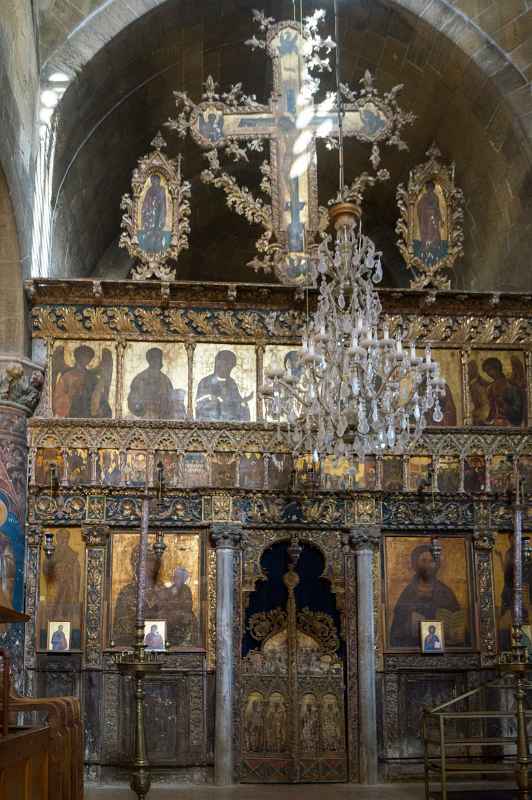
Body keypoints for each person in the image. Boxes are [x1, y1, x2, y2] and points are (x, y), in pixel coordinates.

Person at [390, 544, 462, 648]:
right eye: (423, 560)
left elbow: (456, 620)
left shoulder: (445, 592)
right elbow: (397, 627)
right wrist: (409, 622)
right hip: (412, 645)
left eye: (431, 561)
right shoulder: (409, 592)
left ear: (437, 564)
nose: (428, 565)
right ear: (415, 564)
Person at [53, 345, 112, 418]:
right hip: (72, 416)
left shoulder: (92, 378)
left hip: (89, 417)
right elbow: (58, 397)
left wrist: (101, 409)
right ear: (77, 357)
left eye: (88, 357)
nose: (86, 359)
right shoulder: (67, 376)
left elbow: (100, 396)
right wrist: (71, 394)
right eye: (84, 356)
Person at [128, 348, 185, 419]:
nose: (158, 360)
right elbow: (132, 402)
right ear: (150, 360)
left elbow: (171, 402)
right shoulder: (140, 379)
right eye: (155, 358)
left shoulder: (165, 380)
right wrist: (144, 410)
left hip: (163, 421)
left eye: (159, 358)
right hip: (145, 420)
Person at [195, 350, 253, 421]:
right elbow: (200, 406)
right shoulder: (205, 382)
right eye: (227, 365)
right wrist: (215, 400)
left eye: (231, 367)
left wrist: (243, 401)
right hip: (211, 421)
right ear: (218, 364)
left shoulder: (231, 383)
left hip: (230, 422)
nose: (229, 369)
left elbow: (237, 403)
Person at [156, 566, 198, 646]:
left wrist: (172, 604)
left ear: (183, 579)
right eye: (174, 576)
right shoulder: (171, 588)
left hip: (182, 615)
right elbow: (163, 600)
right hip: (170, 615)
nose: (174, 578)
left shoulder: (186, 589)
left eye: (177, 577)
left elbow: (187, 605)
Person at [481, 357, 525, 427]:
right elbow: (492, 409)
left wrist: (504, 405)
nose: (489, 374)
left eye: (489, 370)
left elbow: (518, 409)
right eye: (486, 371)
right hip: (495, 423)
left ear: (497, 368)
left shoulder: (510, 386)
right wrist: (487, 421)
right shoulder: (490, 388)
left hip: (510, 424)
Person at [139, 175, 169, 253]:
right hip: (150, 212)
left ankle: (157, 243)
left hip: (159, 211)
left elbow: (163, 202)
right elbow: (146, 202)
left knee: (157, 227)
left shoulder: (162, 189)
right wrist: (146, 209)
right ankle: (150, 243)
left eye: (156, 181)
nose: (155, 182)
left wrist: (160, 207)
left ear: (158, 181)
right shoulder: (149, 190)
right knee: (150, 228)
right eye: (153, 181)